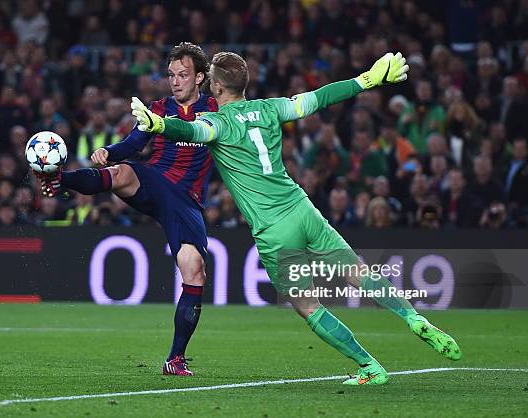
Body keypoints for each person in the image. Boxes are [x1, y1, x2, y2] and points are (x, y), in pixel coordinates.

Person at [132, 51, 461, 385]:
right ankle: (412, 316)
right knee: (357, 272)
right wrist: (367, 80)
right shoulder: (272, 107)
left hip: (274, 230)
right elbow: (320, 98)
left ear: (215, 86)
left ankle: (369, 366)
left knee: (308, 305)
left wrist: (158, 124)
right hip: (302, 208)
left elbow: (189, 132)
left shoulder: (218, 122)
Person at [37, 43, 217, 376]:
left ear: (201, 77)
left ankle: (175, 359)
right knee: (121, 172)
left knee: (194, 271)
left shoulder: (218, 109)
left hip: (185, 201)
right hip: (155, 180)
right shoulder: (159, 108)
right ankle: (58, 178)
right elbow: (134, 145)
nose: (175, 82)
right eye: (171, 75)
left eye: (183, 75)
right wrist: (109, 150)